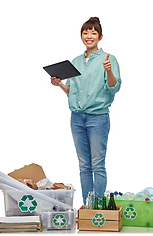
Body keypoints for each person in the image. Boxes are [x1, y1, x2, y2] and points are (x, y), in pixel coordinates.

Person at [51, 17, 121, 204]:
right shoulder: (75, 62)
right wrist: (60, 85)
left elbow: (114, 88)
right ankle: (87, 206)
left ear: (100, 36)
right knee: (84, 166)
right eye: (85, 32)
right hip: (76, 118)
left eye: (93, 32)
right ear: (81, 36)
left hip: (98, 118)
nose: (89, 36)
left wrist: (109, 71)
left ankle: (98, 206)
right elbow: (72, 92)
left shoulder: (109, 59)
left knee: (97, 165)